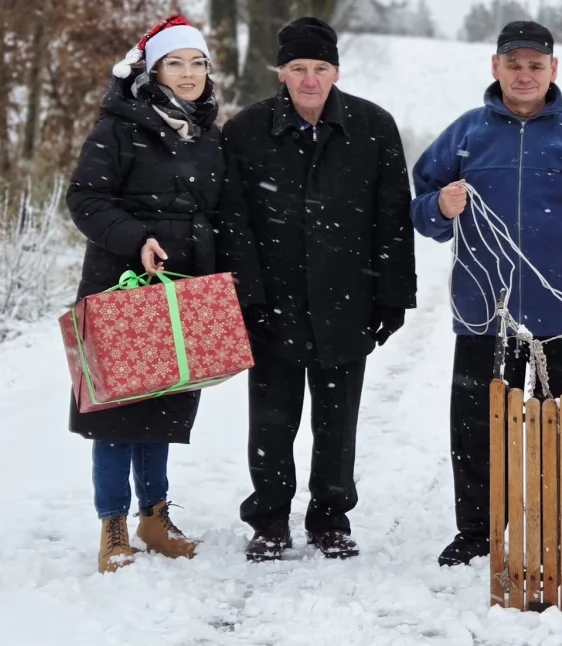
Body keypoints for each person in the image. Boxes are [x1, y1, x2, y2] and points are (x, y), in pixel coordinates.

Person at [411, 20, 562, 567]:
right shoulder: (467, 132)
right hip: (485, 308)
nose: (524, 74)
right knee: (476, 423)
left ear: (554, 69)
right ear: (495, 67)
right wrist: (439, 208)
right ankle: (477, 529)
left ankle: (557, 523)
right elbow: (421, 204)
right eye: (514, 64)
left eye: (535, 64)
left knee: (561, 422)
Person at [214, 17, 417, 561]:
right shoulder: (246, 131)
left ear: (336, 71)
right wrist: (248, 298)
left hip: (346, 300)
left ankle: (330, 517)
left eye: (320, 68)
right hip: (272, 302)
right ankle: (270, 519)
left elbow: (391, 217)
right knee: (272, 419)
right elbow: (234, 223)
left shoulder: (374, 127)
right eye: (298, 68)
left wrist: (392, 297)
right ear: (280, 72)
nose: (309, 79)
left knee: (337, 420)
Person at [67, 14, 221, 573]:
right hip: (120, 285)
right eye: (175, 63)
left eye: (197, 63)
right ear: (152, 71)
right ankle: (112, 527)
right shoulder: (118, 126)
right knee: (114, 409)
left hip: (181, 291)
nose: (188, 74)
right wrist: (139, 240)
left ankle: (154, 517)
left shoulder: (207, 134)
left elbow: (218, 211)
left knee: (163, 403)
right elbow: (86, 200)